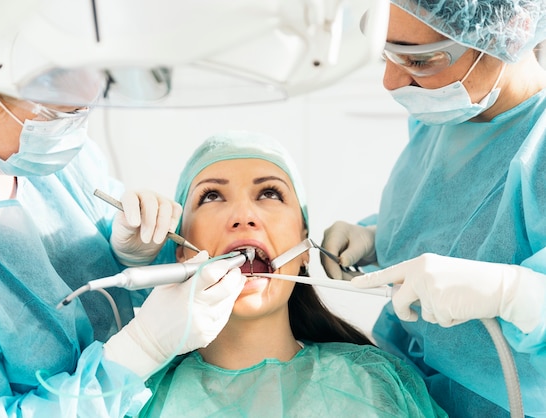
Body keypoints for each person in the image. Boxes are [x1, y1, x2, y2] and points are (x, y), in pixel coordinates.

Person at [0, 44, 245, 417]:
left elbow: (184, 277)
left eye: (82, 111)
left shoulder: (54, 162)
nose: (72, 132)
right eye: (57, 115)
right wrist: (141, 350)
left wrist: (129, 254)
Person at [321, 1, 546, 416]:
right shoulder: (441, 118)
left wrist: (513, 294)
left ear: (508, 30)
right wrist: (376, 240)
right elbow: (447, 220)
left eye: (419, 60)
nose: (391, 81)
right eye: (386, 53)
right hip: (408, 393)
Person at [137, 131, 447, 417]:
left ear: (303, 247)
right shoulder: (138, 398)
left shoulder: (373, 386)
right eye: (212, 196)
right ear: (181, 250)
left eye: (270, 193)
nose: (243, 216)